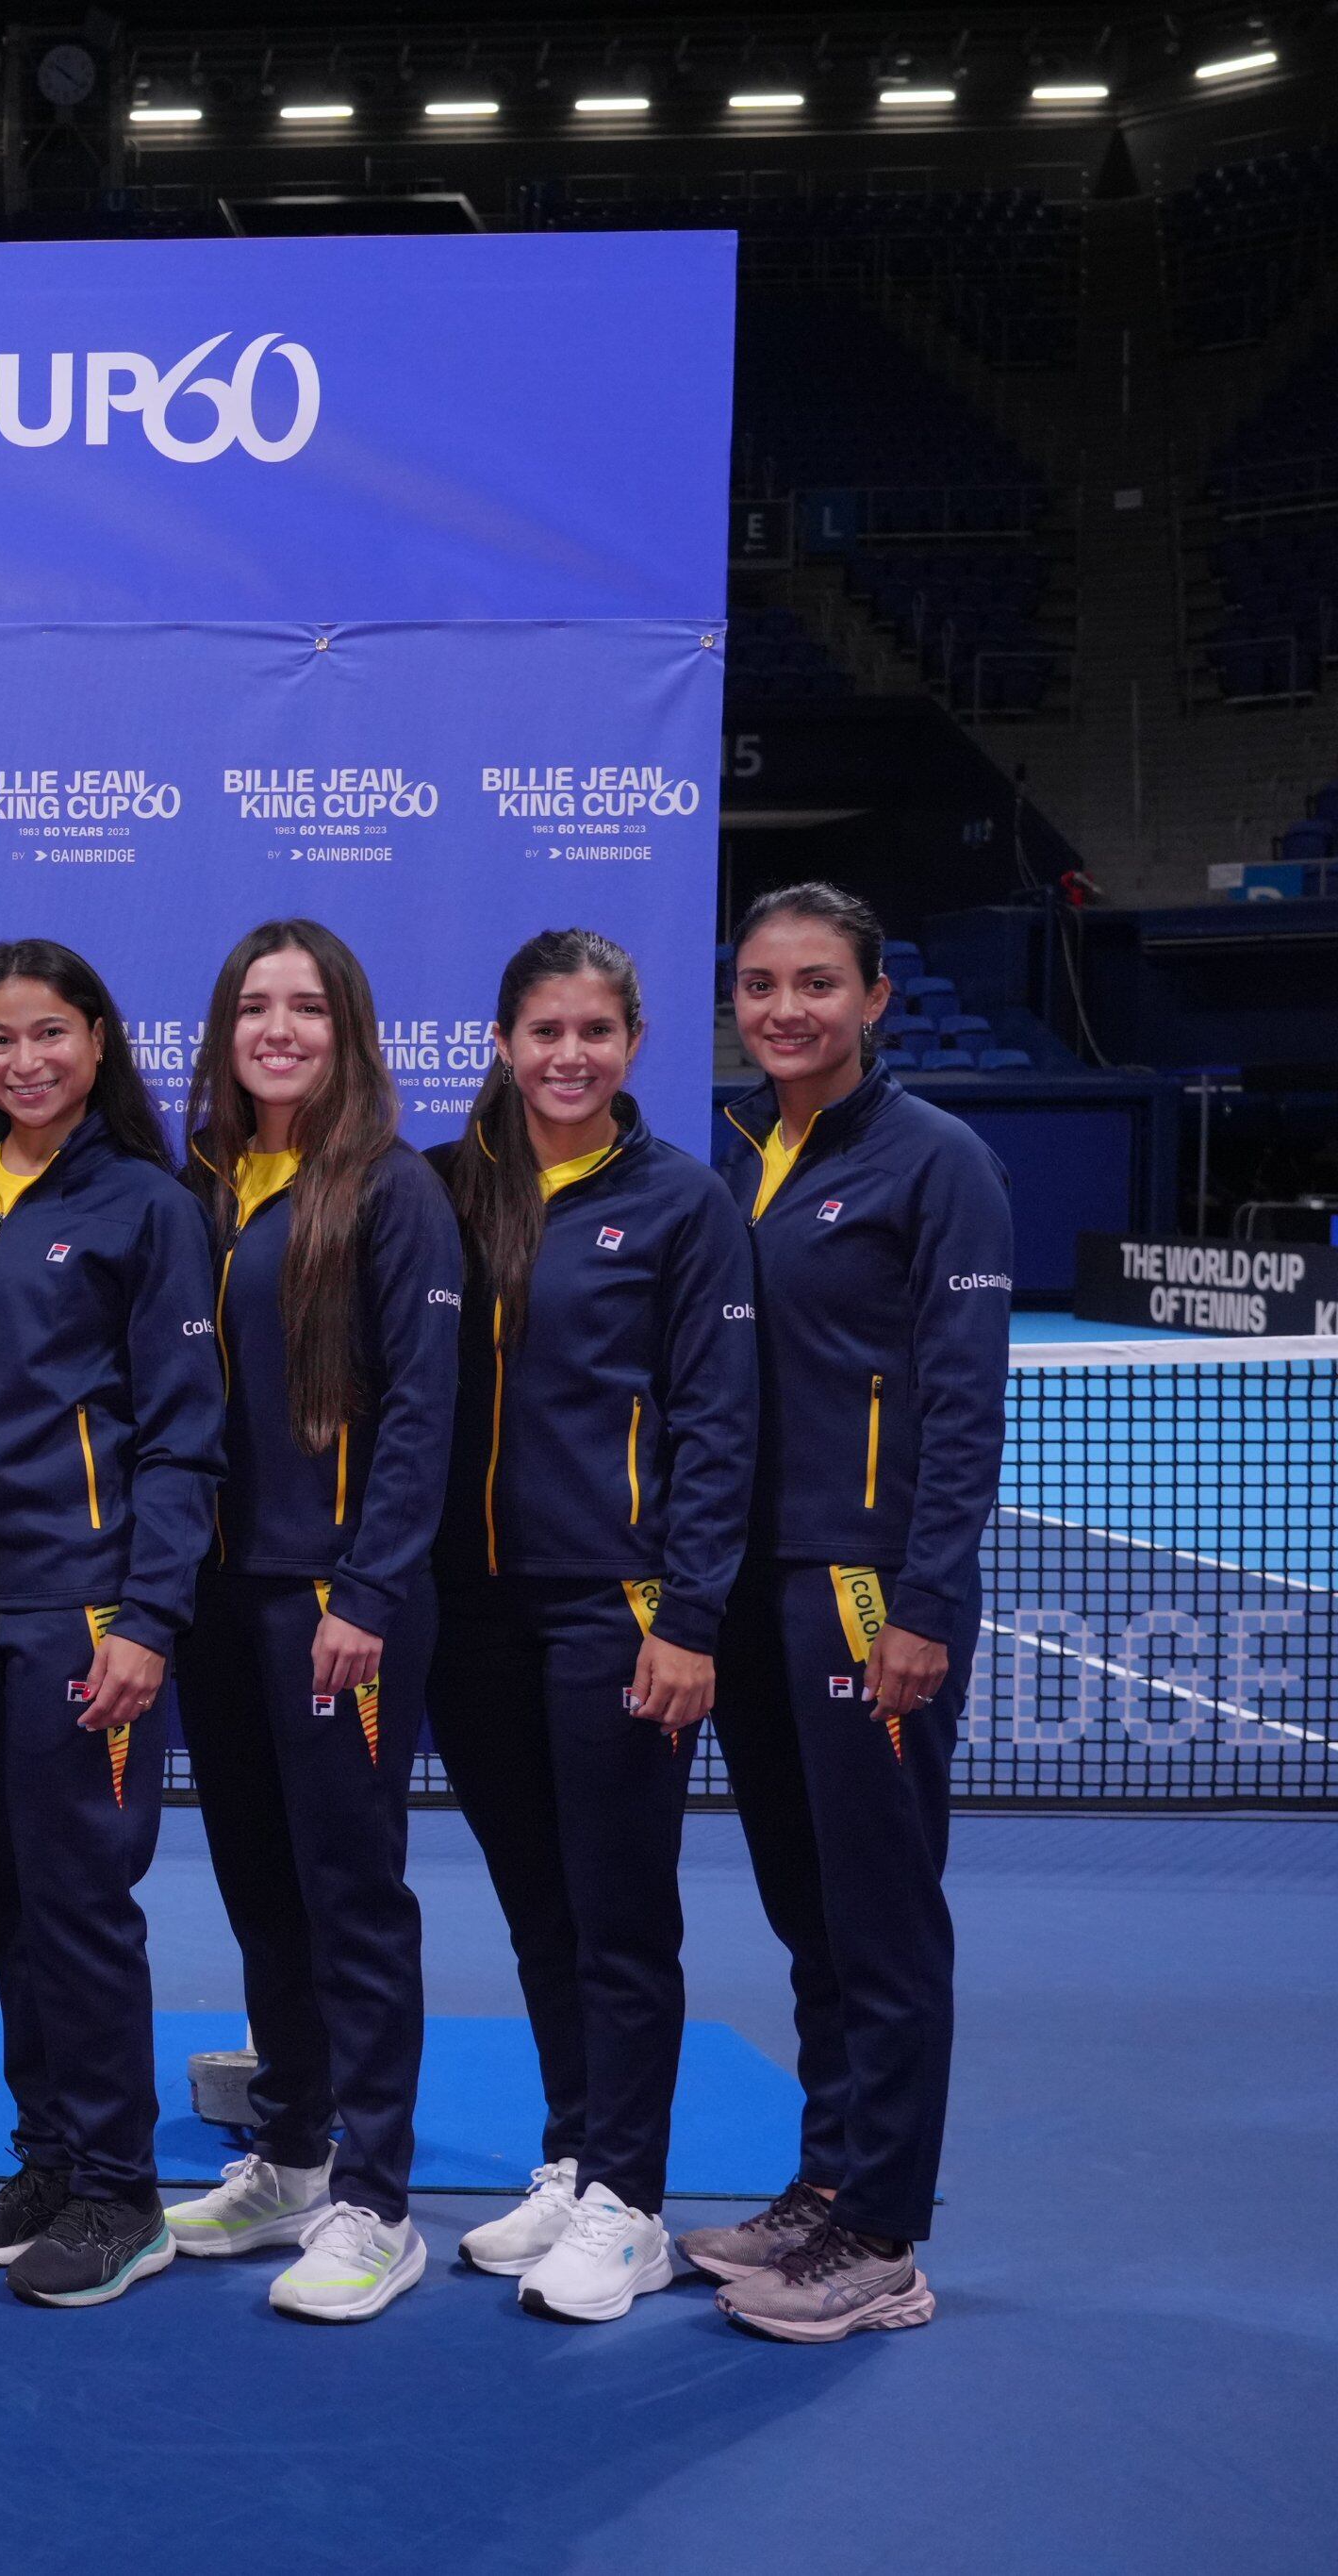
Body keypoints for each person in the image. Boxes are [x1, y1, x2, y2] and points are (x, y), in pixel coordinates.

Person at [685, 882, 1010, 2342]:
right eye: (761, 986)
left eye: (817, 984)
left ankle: (885, 2234)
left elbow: (960, 1403)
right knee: (807, 1912)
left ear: (876, 999)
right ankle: (824, 2187)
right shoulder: (731, 1146)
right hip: (742, 1585)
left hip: (866, 1585)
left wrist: (924, 1604)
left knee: (882, 1921)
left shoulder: (941, 1166)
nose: (786, 1010)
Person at [422, 931, 760, 2324]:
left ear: (633, 1046)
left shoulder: (681, 1204)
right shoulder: (444, 1191)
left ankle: (633, 2200)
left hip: (615, 1613)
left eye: (598, 1032)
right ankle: (575, 2157)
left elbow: (718, 1421)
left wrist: (689, 1617)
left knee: (623, 1916)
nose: (571, 1055)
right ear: (502, 1041)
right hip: (468, 1617)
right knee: (539, 1905)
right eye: (546, 1030)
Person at [0, 940, 222, 2311]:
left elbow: (184, 1436)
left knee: (83, 1902)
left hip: (81, 1607)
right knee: (4, 1901)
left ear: (97, 1040)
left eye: (48, 1035)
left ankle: (119, 2193)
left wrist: (146, 1615)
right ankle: (50, 2157)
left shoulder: (148, 1205)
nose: (23, 1063)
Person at [158, 918, 460, 2324]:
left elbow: (419, 1418)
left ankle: (377, 2200)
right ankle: (287, 2149)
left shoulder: (393, 1193)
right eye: (254, 1010)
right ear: (225, 1035)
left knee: (353, 1897)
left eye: (307, 1009)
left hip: (340, 1610)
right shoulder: (202, 1186)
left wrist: (368, 1593)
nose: (278, 1032)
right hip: (217, 1604)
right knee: (261, 1893)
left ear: (348, 1030)